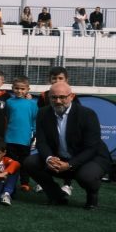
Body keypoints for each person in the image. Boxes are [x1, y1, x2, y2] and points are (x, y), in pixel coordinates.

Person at [21, 81, 111, 209]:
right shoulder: (43, 113)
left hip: (90, 158)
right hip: (60, 157)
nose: (58, 101)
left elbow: (92, 147)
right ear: (48, 97)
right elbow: (41, 141)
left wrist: (69, 165)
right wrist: (49, 158)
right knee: (30, 162)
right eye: (54, 97)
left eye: (62, 97)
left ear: (71, 96)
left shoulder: (87, 114)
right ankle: (56, 195)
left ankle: (92, 197)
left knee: (87, 176)